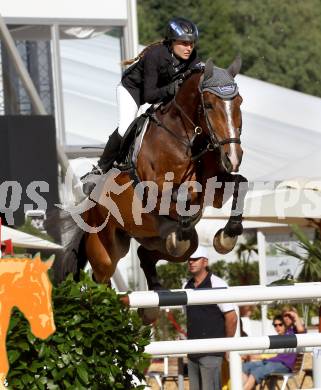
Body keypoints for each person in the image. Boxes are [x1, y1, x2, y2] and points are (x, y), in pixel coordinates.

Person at [82, 17, 201, 194]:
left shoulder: (191, 58)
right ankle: (100, 169)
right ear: (171, 41)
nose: (188, 48)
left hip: (160, 92)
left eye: (191, 43)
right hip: (133, 90)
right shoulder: (156, 56)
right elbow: (150, 95)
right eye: (184, 43)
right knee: (125, 129)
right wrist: (172, 88)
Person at [184, 246, 238, 390]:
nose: (191, 262)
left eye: (196, 259)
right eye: (190, 259)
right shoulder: (186, 286)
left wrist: (226, 346)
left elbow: (232, 318)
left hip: (212, 352)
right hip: (192, 352)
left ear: (205, 262)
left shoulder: (218, 284)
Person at [242, 315, 297, 390]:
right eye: (275, 325)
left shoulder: (292, 333)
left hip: (283, 364)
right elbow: (270, 354)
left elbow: (301, 329)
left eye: (280, 324)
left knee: (257, 371)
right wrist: (256, 356)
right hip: (271, 361)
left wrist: (294, 315)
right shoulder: (278, 338)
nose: (277, 327)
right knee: (245, 367)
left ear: (285, 324)